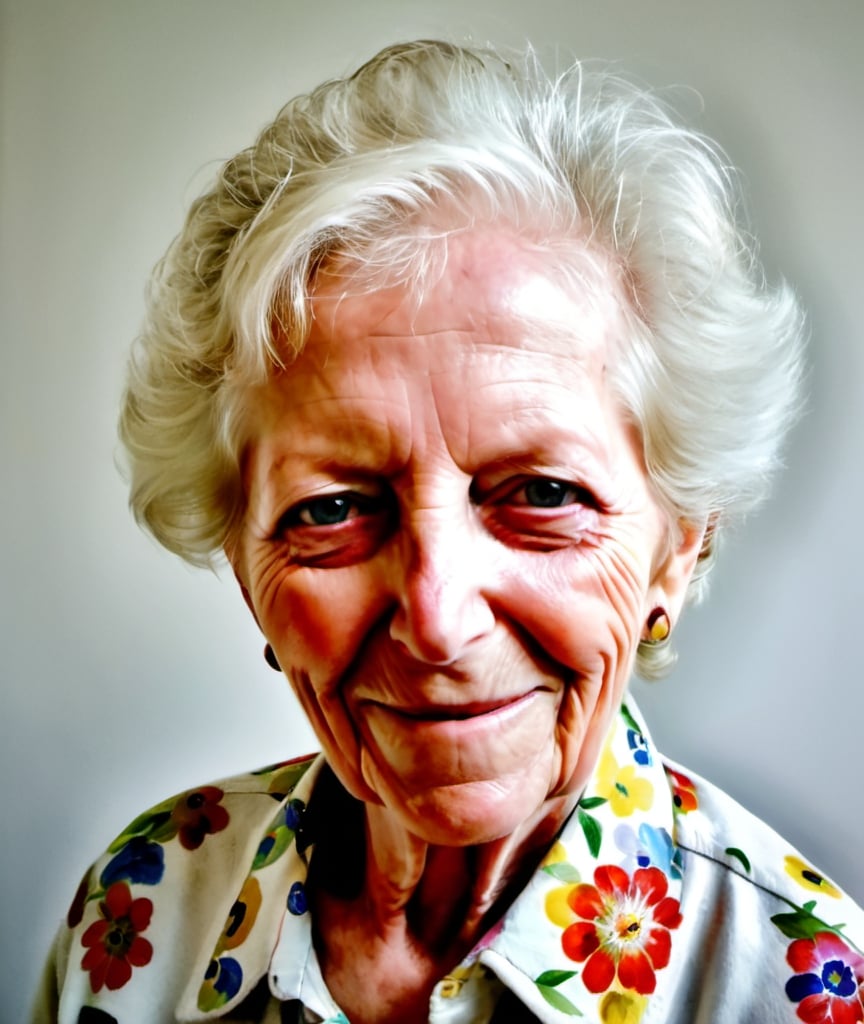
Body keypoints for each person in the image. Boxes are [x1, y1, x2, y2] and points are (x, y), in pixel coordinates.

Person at [34, 39, 864, 1024]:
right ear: (245, 560)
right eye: (331, 508)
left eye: (542, 493)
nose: (436, 620)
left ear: (677, 545)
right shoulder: (140, 910)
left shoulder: (807, 987)